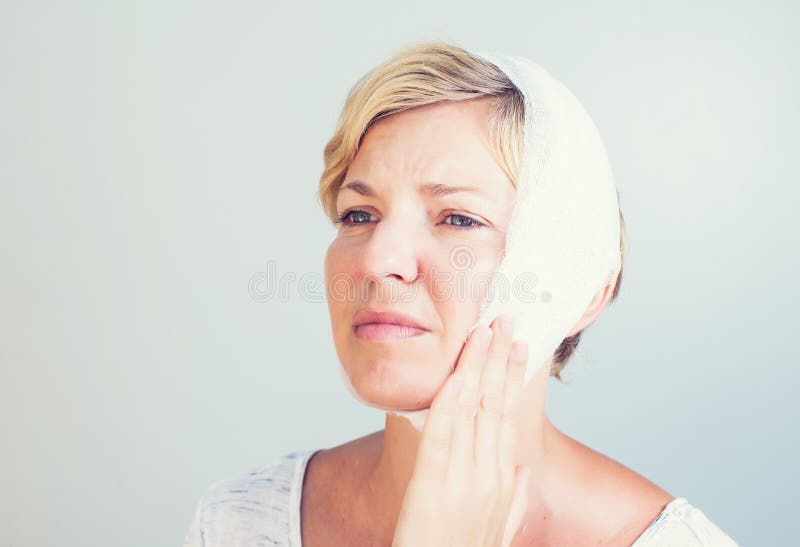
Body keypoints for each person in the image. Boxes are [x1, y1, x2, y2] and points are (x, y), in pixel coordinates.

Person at [182, 41, 738, 546]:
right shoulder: (237, 524)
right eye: (358, 214)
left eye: (457, 219)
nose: (378, 260)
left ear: (584, 288)